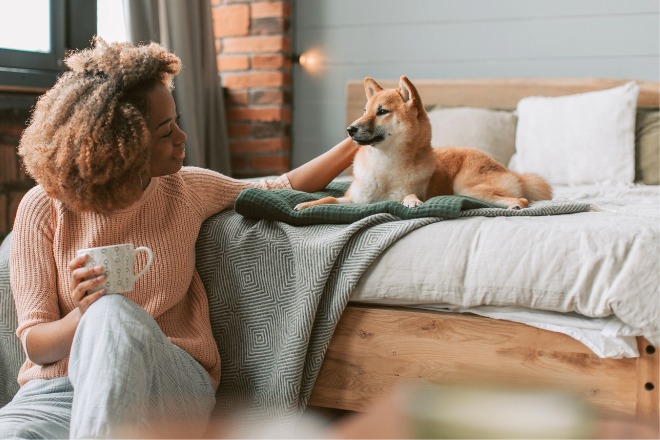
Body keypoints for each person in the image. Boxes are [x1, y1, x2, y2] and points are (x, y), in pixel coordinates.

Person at [0, 37, 358, 439]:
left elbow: (281, 185)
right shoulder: (42, 208)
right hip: (56, 395)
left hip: (167, 384)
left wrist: (358, 140)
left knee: (113, 315)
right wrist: (82, 315)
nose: (182, 139)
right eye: (166, 132)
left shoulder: (186, 190)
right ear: (122, 144)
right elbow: (36, 346)